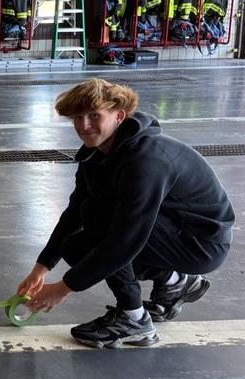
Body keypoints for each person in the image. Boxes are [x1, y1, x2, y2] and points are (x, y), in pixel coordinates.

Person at [17, 78, 234, 349]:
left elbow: (125, 242)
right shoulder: (95, 154)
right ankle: (175, 282)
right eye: (78, 117)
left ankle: (135, 320)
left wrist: (62, 290)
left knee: (98, 214)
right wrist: (42, 267)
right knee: (75, 246)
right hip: (171, 231)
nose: (84, 126)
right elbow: (74, 212)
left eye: (94, 115)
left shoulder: (146, 159)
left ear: (119, 115)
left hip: (201, 243)